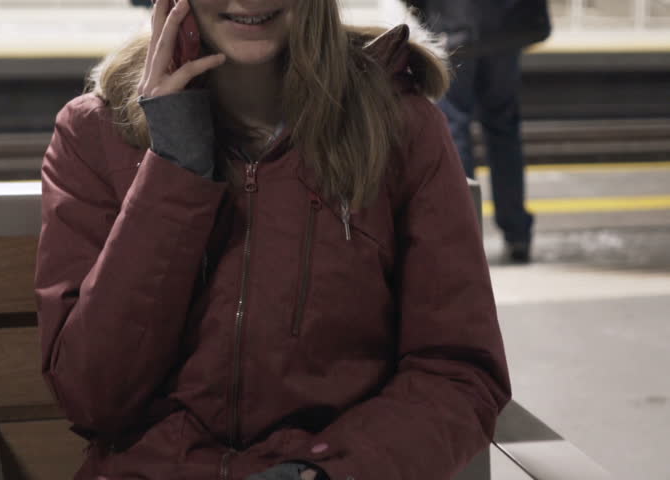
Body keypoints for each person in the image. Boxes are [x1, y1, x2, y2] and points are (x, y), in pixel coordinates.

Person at [34, 1, 510, 479]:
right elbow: (92, 398)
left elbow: (457, 371)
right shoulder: (96, 130)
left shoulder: (397, 125)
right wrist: (174, 166)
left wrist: (326, 472)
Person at [407, 0, 551, 263]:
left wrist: (426, 15)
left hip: (454, 25)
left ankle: (465, 233)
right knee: (503, 127)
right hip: (505, 25)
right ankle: (517, 233)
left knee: (455, 128)